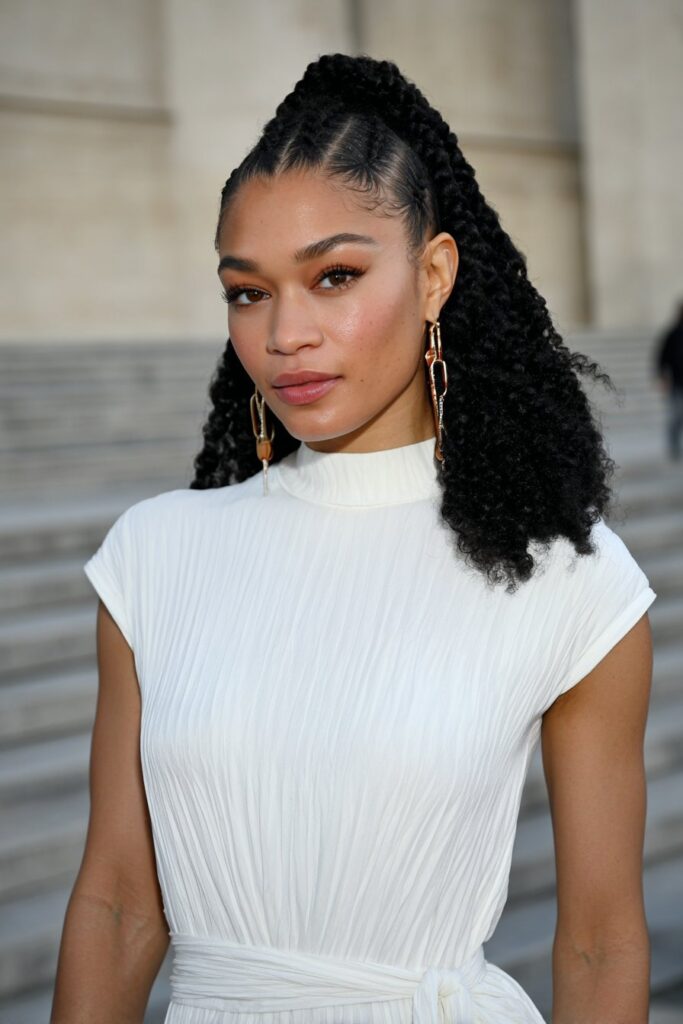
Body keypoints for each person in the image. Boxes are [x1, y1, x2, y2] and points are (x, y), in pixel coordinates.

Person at [51, 53, 657, 1024]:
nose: (286, 332)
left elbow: (598, 940)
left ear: (431, 276)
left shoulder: (568, 581)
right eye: (247, 291)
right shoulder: (153, 555)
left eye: (333, 275)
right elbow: (120, 904)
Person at [654, 300, 683, 460]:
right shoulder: (672, 334)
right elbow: (662, 358)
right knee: (676, 417)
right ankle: (674, 448)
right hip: (677, 383)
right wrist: (662, 377)